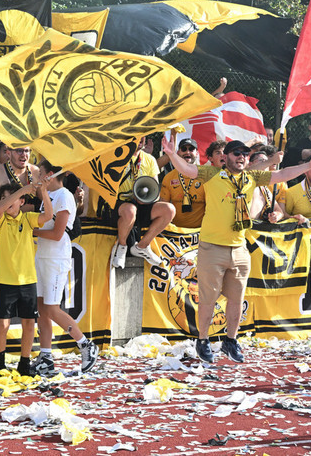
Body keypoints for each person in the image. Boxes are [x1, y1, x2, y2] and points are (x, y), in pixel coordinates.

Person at [162, 136, 311, 364]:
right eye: (236, 153)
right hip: (212, 247)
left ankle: (231, 340)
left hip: (239, 248)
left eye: (244, 154)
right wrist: (171, 155)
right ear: (226, 157)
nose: (241, 157)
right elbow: (188, 170)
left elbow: (282, 174)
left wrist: (309, 165)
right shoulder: (212, 174)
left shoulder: (252, 177)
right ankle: (202, 340)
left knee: (237, 299)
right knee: (208, 299)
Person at [30, 160, 98, 376]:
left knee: (51, 308)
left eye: (40, 173)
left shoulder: (64, 196)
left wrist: (31, 232)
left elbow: (58, 234)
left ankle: (86, 344)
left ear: (50, 174)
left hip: (56, 258)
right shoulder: (48, 196)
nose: (38, 177)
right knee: (41, 307)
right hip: (43, 256)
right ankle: (46, 355)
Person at [0, 181, 52, 375]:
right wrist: (23, 189)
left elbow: (48, 216)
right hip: (5, 280)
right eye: (5, 199)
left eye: (12, 199)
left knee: (29, 325)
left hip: (27, 281)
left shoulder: (28, 218)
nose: (7, 204)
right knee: (2, 325)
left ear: (21, 202)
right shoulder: (0, 220)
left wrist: (43, 190)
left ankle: (24, 364)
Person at [108, 136, 176, 269]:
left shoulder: (149, 159)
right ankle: (122, 247)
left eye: (142, 136)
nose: (140, 139)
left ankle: (142, 246)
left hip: (142, 204)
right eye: (135, 136)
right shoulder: (116, 156)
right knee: (130, 210)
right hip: (119, 204)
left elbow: (154, 188)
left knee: (169, 209)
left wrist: (146, 198)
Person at [0, 146, 41, 224]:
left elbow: (46, 201)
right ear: (8, 153)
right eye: (19, 150)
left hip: (31, 231)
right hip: (5, 232)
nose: (23, 154)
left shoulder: (36, 171)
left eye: (27, 151)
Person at [159, 138, 206, 228]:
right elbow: (163, 207)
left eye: (191, 149)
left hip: (201, 231)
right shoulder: (168, 178)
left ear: (197, 153)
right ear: (178, 153)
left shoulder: (205, 176)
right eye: (184, 149)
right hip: (176, 232)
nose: (187, 152)